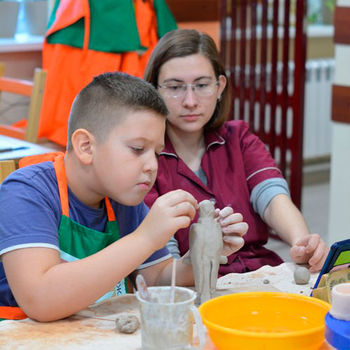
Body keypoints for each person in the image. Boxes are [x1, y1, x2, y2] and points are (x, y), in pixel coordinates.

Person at [0, 72, 242, 322]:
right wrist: (146, 237)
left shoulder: (124, 200)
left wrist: (199, 256)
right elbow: (40, 300)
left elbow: (157, 277)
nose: (151, 165)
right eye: (137, 149)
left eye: (157, 153)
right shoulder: (27, 192)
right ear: (86, 146)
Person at [144, 28, 329, 275]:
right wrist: (207, 253)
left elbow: (272, 198)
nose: (190, 101)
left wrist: (302, 243)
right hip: (193, 285)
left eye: (201, 85)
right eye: (175, 87)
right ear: (154, 90)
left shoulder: (238, 138)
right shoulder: (146, 158)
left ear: (220, 86)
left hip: (259, 272)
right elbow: (164, 273)